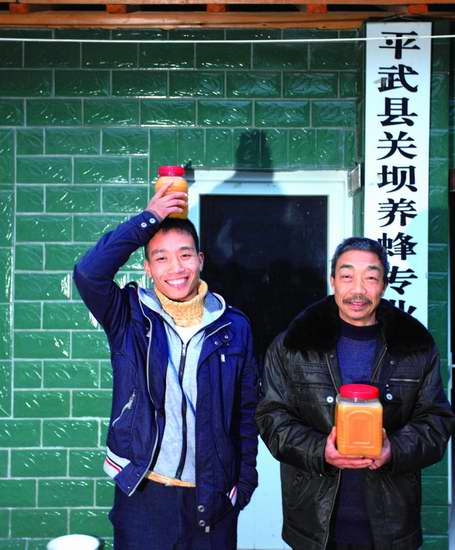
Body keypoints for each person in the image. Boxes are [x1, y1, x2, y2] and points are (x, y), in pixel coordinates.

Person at [74, 182, 258, 550]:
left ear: (200, 260)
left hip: (211, 495)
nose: (176, 268)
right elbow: (89, 273)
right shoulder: (128, 315)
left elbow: (246, 410)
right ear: (147, 268)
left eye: (185, 255)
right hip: (144, 493)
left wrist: (244, 483)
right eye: (161, 258)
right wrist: (149, 218)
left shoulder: (233, 326)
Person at [256, 237, 455, 550]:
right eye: (347, 276)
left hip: (392, 522)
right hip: (314, 520)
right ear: (333, 280)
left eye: (371, 278)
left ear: (384, 284)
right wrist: (319, 450)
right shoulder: (294, 344)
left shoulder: (414, 344)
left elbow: (437, 421)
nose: (358, 290)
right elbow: (272, 417)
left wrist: (394, 450)